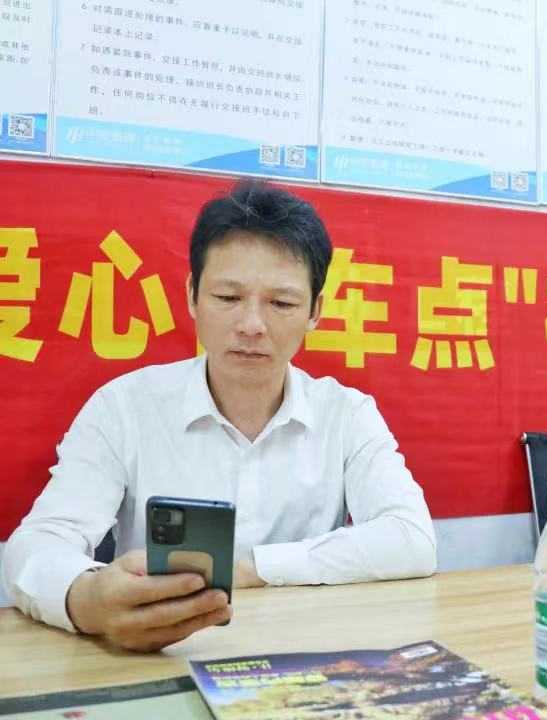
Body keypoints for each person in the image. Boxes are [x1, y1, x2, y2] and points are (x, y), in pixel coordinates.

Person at [2, 180, 436, 651]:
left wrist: (251, 570)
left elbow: (411, 538)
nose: (251, 325)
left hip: (303, 656)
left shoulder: (347, 414)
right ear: (193, 295)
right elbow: (39, 543)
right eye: (228, 298)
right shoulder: (123, 407)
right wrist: (87, 600)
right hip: (159, 655)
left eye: (282, 303)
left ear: (315, 311)